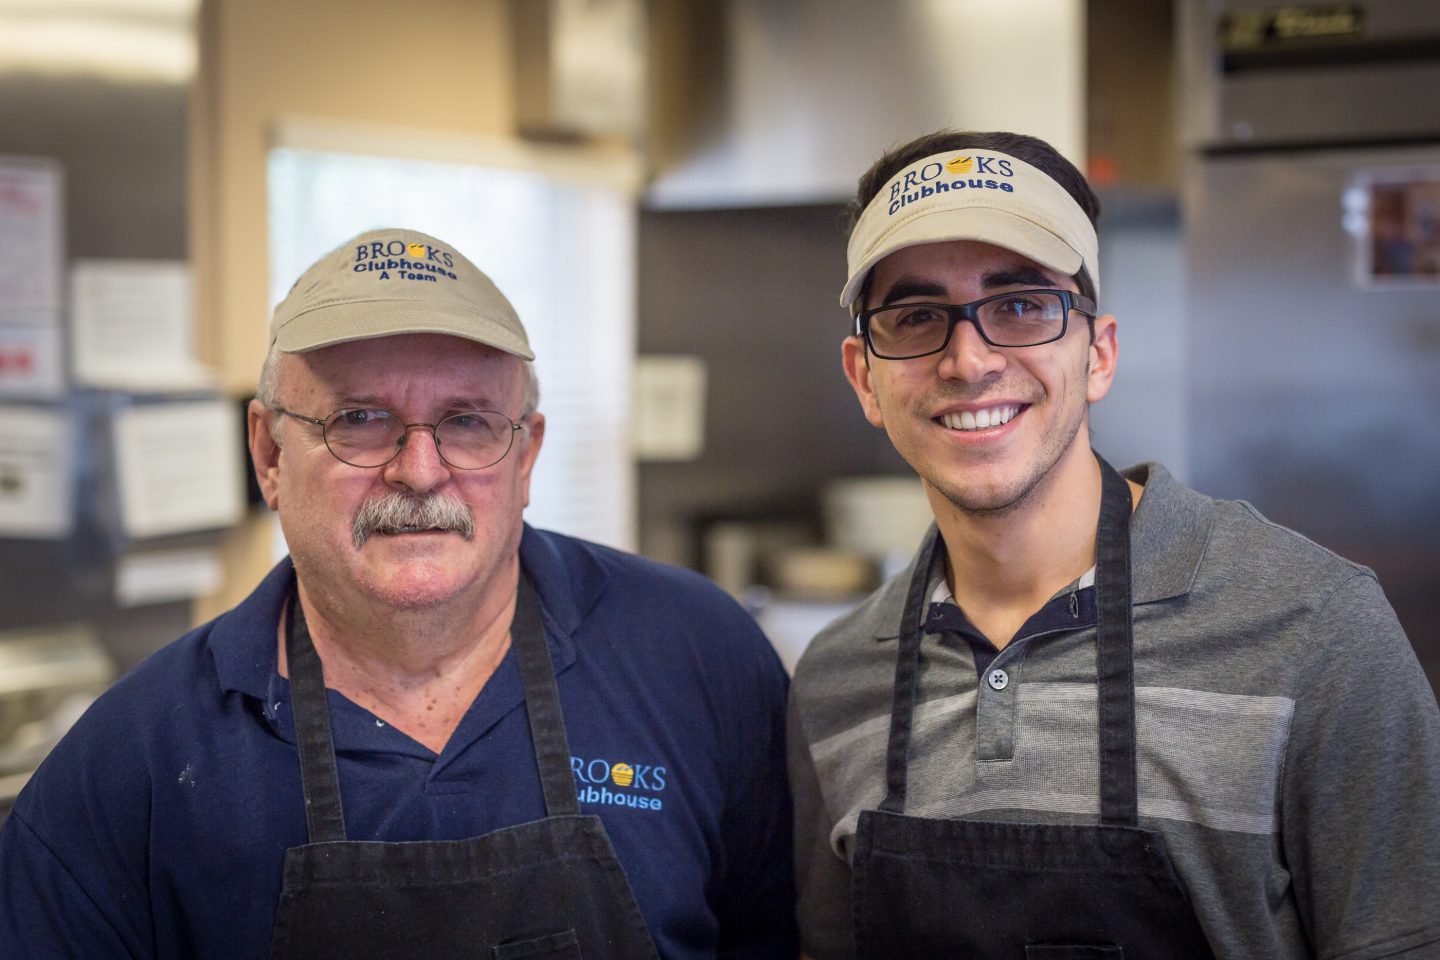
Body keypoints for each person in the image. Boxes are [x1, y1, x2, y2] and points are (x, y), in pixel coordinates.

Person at [0, 228, 797, 959]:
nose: (419, 471)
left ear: (527, 459)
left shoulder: (697, 657)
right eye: (361, 419)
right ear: (268, 453)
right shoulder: (135, 758)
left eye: (470, 423)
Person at [787, 131, 1440, 959]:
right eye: (916, 318)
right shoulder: (838, 681)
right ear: (863, 378)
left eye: (1021, 304)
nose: (968, 358)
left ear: (1098, 354)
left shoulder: (1315, 633)